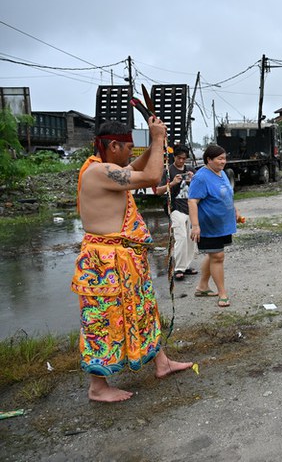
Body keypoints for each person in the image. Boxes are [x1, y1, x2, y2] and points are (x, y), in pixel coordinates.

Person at [70, 119, 192, 402]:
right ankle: (97, 387)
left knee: (144, 310)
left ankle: (161, 362)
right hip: (104, 263)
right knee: (103, 322)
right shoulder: (99, 171)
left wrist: (154, 142)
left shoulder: (106, 169)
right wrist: (159, 139)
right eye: (127, 147)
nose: (130, 153)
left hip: (122, 260)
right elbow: (150, 178)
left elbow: (136, 167)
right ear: (112, 146)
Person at [188, 145, 238, 308]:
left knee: (212, 255)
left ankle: (202, 287)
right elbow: (192, 201)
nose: (223, 161)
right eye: (219, 158)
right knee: (217, 257)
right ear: (209, 160)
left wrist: (235, 210)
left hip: (222, 224)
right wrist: (195, 226)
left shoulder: (221, 172)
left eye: (224, 158)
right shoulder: (201, 177)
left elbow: (227, 194)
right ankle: (222, 293)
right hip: (208, 225)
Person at [154, 145, 197, 280]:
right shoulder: (167, 171)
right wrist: (172, 183)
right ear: (174, 157)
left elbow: (201, 185)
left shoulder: (190, 169)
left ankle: (186, 266)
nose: (182, 161)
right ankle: (178, 267)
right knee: (181, 237)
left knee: (191, 238)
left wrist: (194, 179)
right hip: (174, 208)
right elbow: (158, 191)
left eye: (184, 159)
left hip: (190, 207)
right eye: (179, 158)